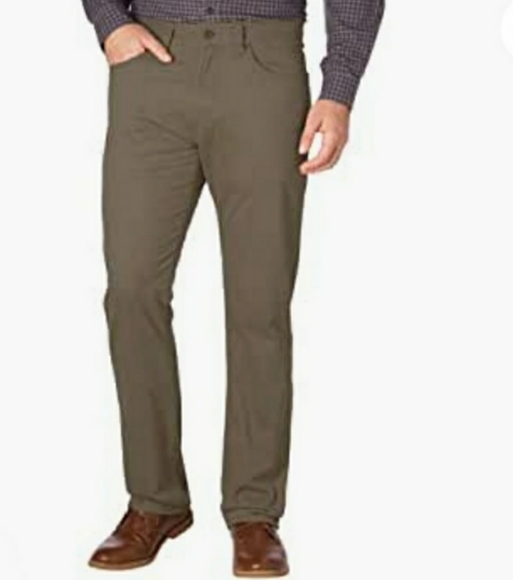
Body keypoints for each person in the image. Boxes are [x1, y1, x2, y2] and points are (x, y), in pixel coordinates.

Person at [81, 0, 384, 575]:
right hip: (150, 63)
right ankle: (155, 500)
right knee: (131, 290)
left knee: (258, 300)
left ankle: (254, 512)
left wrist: (339, 89)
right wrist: (110, 22)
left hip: (263, 64)